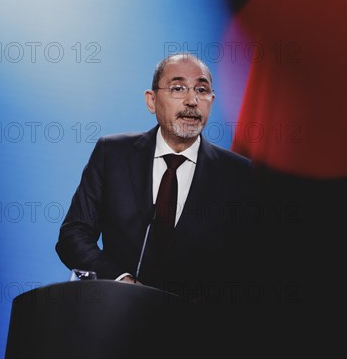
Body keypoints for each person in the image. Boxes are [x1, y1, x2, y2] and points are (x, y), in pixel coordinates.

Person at [56, 53, 257, 302]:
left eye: (202, 90)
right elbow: (73, 235)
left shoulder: (238, 174)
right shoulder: (113, 154)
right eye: (178, 88)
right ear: (151, 101)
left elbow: (247, 266)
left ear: (211, 101)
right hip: (114, 315)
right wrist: (121, 281)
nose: (192, 100)